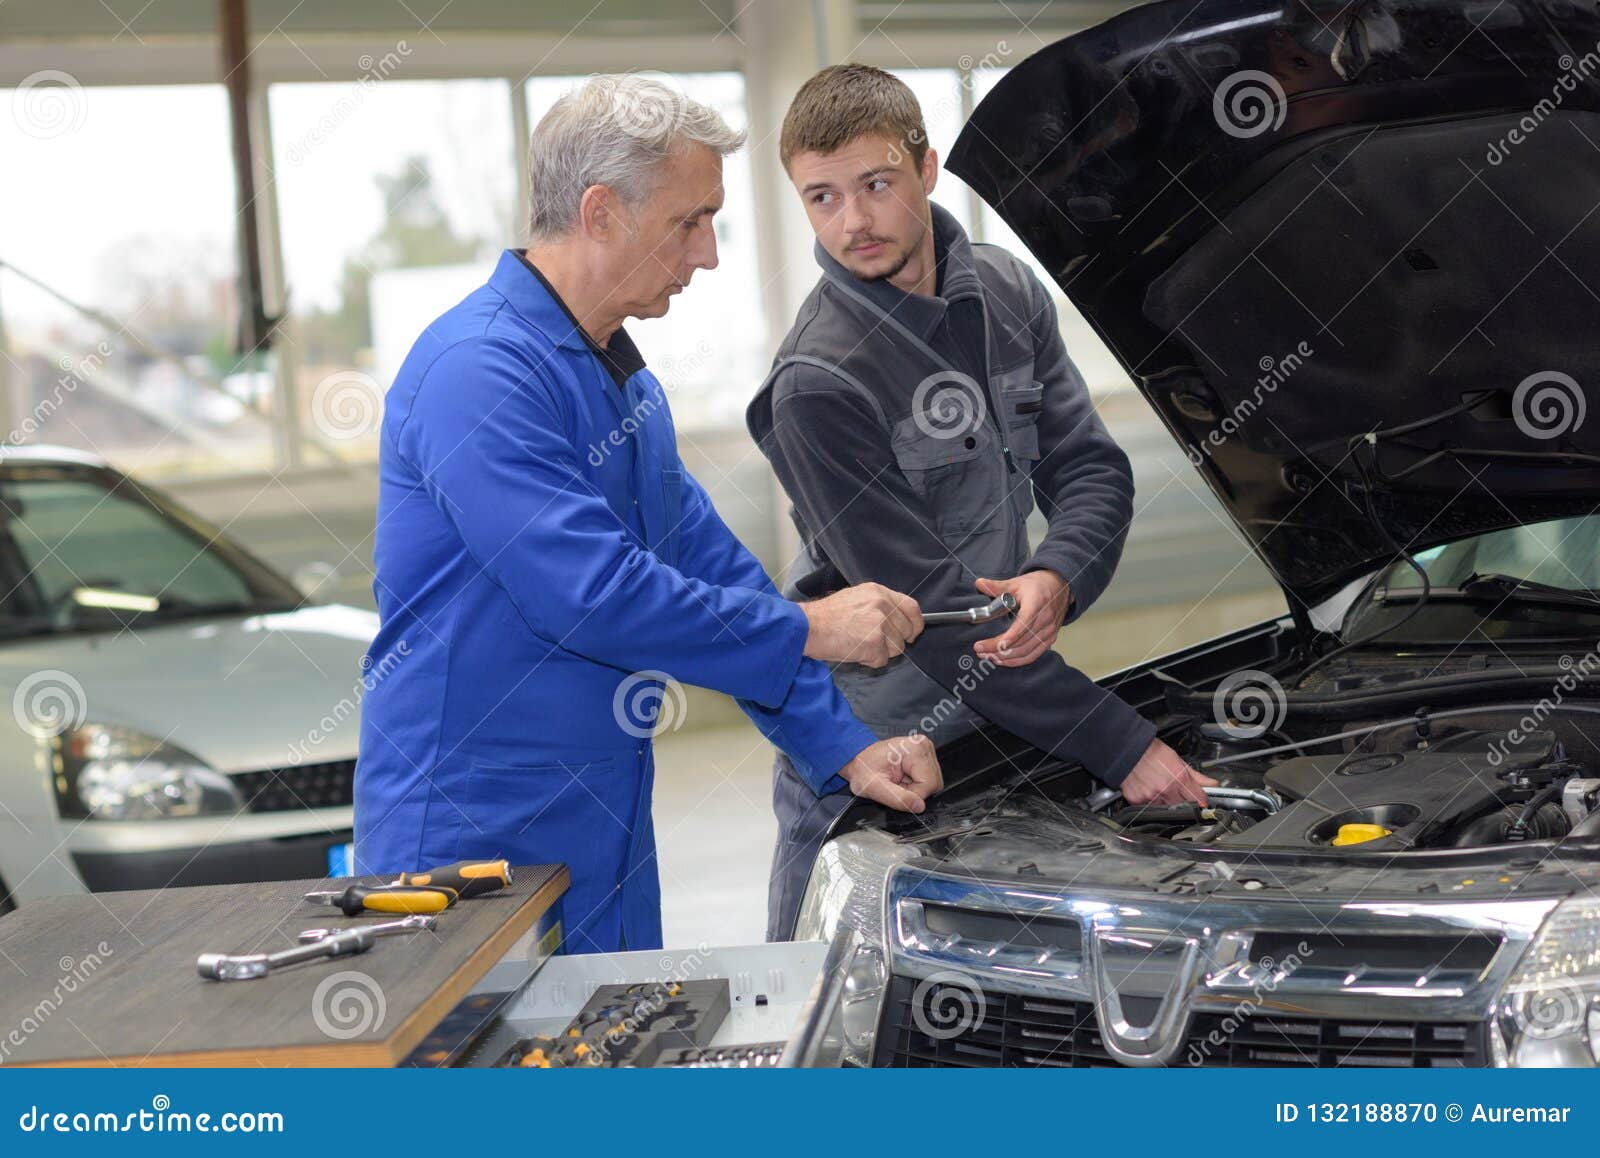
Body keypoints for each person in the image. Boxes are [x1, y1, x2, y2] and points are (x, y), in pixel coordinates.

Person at [354, 75, 941, 955]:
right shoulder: (476, 374)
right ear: (600, 213)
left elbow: (706, 566)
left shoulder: (622, 381)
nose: (706, 254)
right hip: (470, 835)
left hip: (605, 816)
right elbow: (592, 594)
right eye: (689, 221)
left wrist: (844, 744)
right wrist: (811, 626)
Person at [748, 65, 1217, 940]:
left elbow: (1090, 468)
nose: (852, 221)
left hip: (1008, 726)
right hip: (876, 758)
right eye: (821, 198)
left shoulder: (1009, 291)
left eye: (876, 184)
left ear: (927, 169)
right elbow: (937, 612)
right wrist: (1122, 745)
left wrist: (1057, 575)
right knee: (833, 1026)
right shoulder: (816, 383)